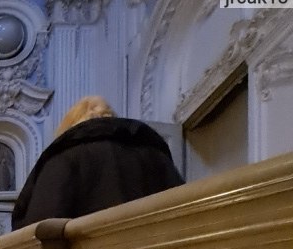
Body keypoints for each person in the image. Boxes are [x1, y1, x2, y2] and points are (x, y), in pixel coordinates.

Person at [11, 96, 184, 230]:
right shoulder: (154, 155)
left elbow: (39, 230)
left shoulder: (64, 158)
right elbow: (184, 211)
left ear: (69, 127)